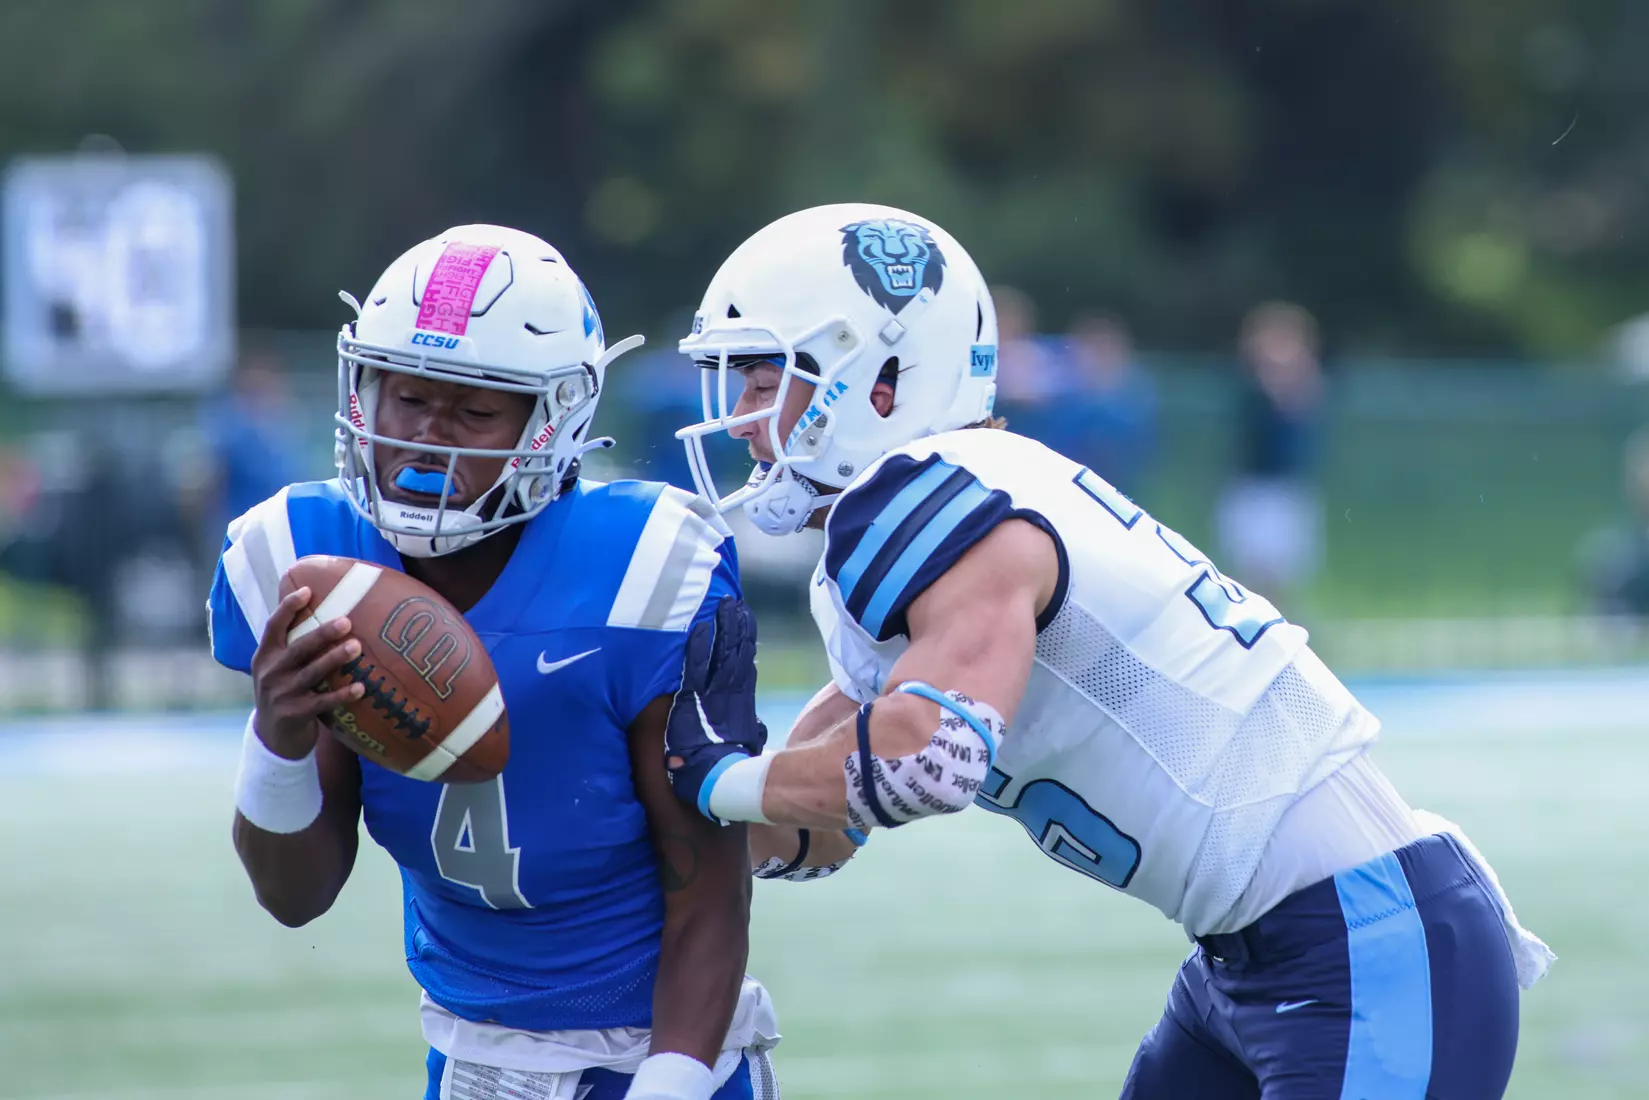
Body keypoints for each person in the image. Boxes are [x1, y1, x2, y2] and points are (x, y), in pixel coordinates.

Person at [667, 203, 1552, 1098]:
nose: (739, 421)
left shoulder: (932, 504)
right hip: (1261, 955)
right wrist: (648, 808)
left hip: (1360, 945)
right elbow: (822, 818)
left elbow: (927, 758)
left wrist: (712, 779)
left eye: (757, 382)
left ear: (880, 383)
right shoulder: (955, 503)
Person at [207, 225, 782, 1100]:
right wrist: (279, 733)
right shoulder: (302, 555)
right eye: (405, 397)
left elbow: (708, 891)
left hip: (663, 1052)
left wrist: (667, 1086)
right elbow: (296, 896)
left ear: (553, 420)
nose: (429, 439)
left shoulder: (643, 569)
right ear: (362, 392)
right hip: (469, 1054)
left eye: (474, 410)